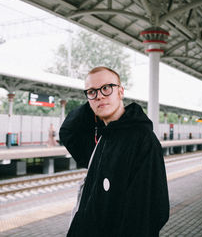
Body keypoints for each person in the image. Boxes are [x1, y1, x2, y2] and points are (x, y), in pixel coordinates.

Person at [59, 66, 169, 237]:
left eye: (106, 88)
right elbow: (68, 132)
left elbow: (147, 215)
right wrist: (98, 101)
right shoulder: (103, 137)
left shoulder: (143, 140)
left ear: (121, 92)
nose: (100, 95)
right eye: (91, 91)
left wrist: (99, 99)